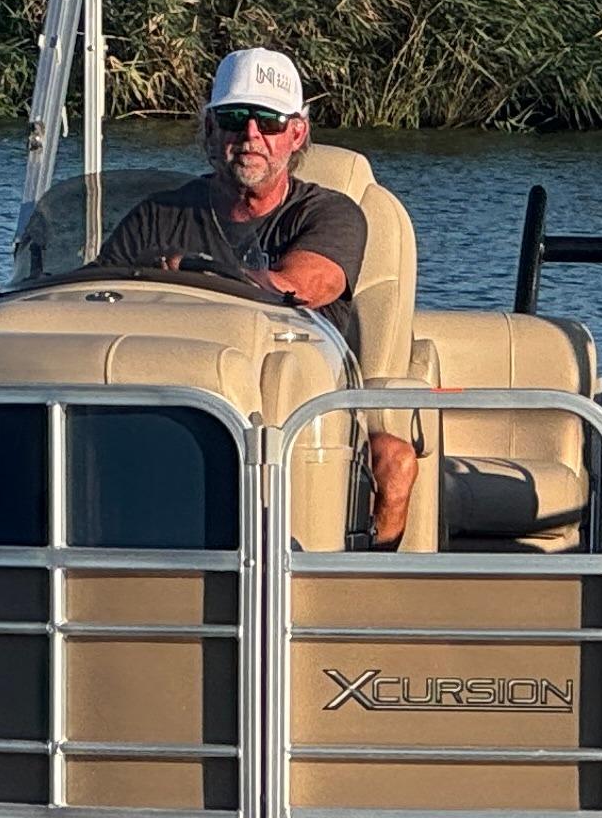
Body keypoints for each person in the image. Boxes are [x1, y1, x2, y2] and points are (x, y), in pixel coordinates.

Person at [97, 47, 420, 536]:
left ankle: (360, 586)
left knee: (393, 460)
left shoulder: (330, 213)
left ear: (296, 133)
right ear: (209, 129)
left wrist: (193, 273)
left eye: (268, 121)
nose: (251, 136)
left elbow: (308, 284)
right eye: (234, 118)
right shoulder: (156, 214)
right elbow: (94, 299)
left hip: (298, 407)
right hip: (175, 399)